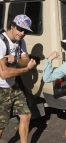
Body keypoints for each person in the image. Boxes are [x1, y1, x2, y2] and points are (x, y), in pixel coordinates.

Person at [0, 14, 36, 143]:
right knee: (1, 126)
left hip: (13, 85)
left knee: (26, 115)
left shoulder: (20, 41)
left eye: (25, 31)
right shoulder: (1, 43)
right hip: (1, 88)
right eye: (20, 29)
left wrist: (16, 60)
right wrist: (26, 69)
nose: (22, 33)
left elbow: (25, 60)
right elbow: (3, 73)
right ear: (12, 26)